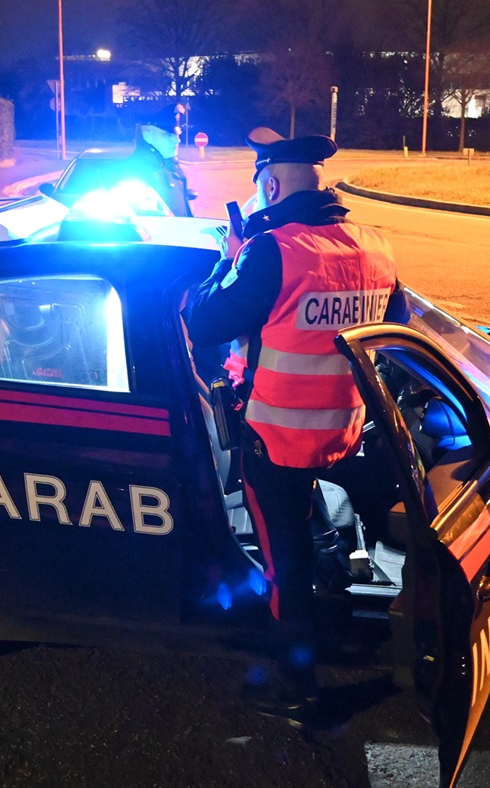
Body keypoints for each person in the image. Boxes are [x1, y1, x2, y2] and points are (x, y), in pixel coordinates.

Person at [186, 127, 407, 723]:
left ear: (273, 184)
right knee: (314, 530)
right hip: (346, 432)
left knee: (286, 566)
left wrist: (227, 260)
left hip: (275, 439)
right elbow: (397, 338)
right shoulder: (375, 246)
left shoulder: (271, 251)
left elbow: (202, 322)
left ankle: (296, 683)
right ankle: (353, 594)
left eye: (260, 190)